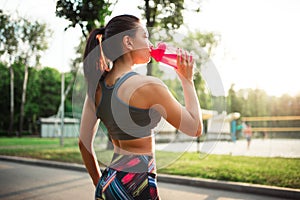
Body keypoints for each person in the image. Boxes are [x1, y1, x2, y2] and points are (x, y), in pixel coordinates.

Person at [79, 14, 203, 200]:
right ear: (128, 42)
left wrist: (101, 184)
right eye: (145, 36)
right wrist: (187, 80)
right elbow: (195, 128)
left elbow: (83, 144)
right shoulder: (149, 86)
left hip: (108, 181)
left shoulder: (96, 90)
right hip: (137, 184)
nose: (150, 42)